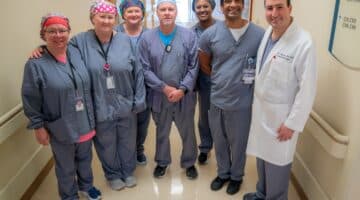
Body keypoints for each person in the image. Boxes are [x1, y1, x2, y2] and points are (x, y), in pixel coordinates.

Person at [30, 0, 146, 191]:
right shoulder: (79, 42)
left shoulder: (126, 40)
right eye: (102, 16)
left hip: (126, 102)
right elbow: (59, 48)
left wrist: (138, 100)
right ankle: (113, 174)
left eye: (110, 17)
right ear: (93, 18)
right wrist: (41, 48)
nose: (106, 21)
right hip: (98, 104)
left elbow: (138, 71)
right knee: (106, 144)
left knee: (127, 140)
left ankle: (128, 171)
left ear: (115, 18)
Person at [22, 13, 101, 200]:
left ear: (68, 32)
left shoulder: (76, 52)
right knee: (65, 166)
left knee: (85, 159)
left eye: (62, 30)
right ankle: (68, 195)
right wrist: (38, 127)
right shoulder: (36, 64)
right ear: (44, 34)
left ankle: (86, 186)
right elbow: (30, 98)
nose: (58, 35)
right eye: (52, 31)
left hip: (85, 120)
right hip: (61, 125)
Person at [244, 0, 317, 199]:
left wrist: (292, 124)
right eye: (269, 8)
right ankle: (261, 193)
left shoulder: (304, 42)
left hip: (281, 120)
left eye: (279, 7)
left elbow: (307, 90)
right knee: (262, 159)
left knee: (277, 167)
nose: (274, 13)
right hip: (262, 114)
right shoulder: (269, 32)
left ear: (290, 8)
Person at [198, 0, 264, 195]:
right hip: (218, 97)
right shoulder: (210, 33)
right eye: (227, 1)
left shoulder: (260, 34)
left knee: (239, 141)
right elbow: (204, 61)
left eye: (237, 1)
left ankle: (236, 176)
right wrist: (221, 78)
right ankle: (223, 173)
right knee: (219, 139)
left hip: (243, 101)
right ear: (221, 6)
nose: (232, 5)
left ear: (243, 4)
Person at [138, 0, 199, 179]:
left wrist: (182, 89)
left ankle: (189, 162)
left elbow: (193, 66)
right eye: (162, 9)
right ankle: (162, 162)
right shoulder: (147, 38)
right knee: (162, 131)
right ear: (156, 13)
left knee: (188, 130)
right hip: (159, 95)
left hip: (184, 95)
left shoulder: (189, 36)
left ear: (176, 12)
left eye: (170, 9)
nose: (166, 13)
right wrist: (163, 88)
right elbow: (145, 68)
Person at [117, 0, 151, 165]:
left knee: (142, 122)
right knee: (124, 122)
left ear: (142, 14)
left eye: (137, 11)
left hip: (145, 85)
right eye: (129, 11)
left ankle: (138, 149)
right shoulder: (114, 32)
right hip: (120, 85)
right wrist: (42, 49)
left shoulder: (150, 34)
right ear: (123, 14)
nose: (134, 14)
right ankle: (125, 152)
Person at [191, 0, 217, 165]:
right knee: (205, 115)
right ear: (194, 9)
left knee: (225, 117)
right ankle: (205, 148)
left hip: (224, 80)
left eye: (205, 6)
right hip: (204, 80)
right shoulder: (192, 32)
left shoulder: (223, 28)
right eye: (198, 7)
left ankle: (225, 147)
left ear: (212, 7)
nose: (202, 10)